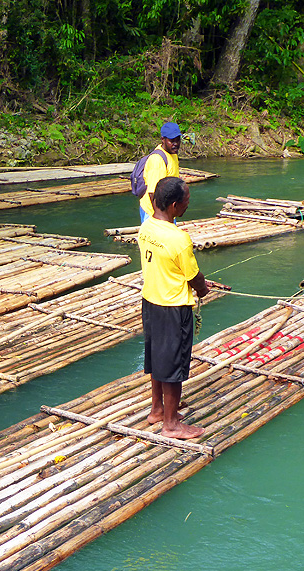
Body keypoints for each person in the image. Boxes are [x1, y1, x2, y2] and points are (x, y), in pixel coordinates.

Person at [137, 175, 209, 440]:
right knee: (174, 365)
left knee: (158, 358)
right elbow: (193, 276)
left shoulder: (146, 228)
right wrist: (202, 289)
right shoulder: (179, 239)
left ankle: (157, 410)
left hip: (151, 302)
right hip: (173, 307)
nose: (188, 204)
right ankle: (171, 425)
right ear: (175, 205)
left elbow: (166, 265)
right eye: (187, 201)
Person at [139, 121, 182, 224]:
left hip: (168, 210)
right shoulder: (157, 160)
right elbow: (152, 193)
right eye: (172, 141)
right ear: (163, 140)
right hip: (154, 212)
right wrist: (160, 218)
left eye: (178, 140)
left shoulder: (172, 154)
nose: (175, 144)